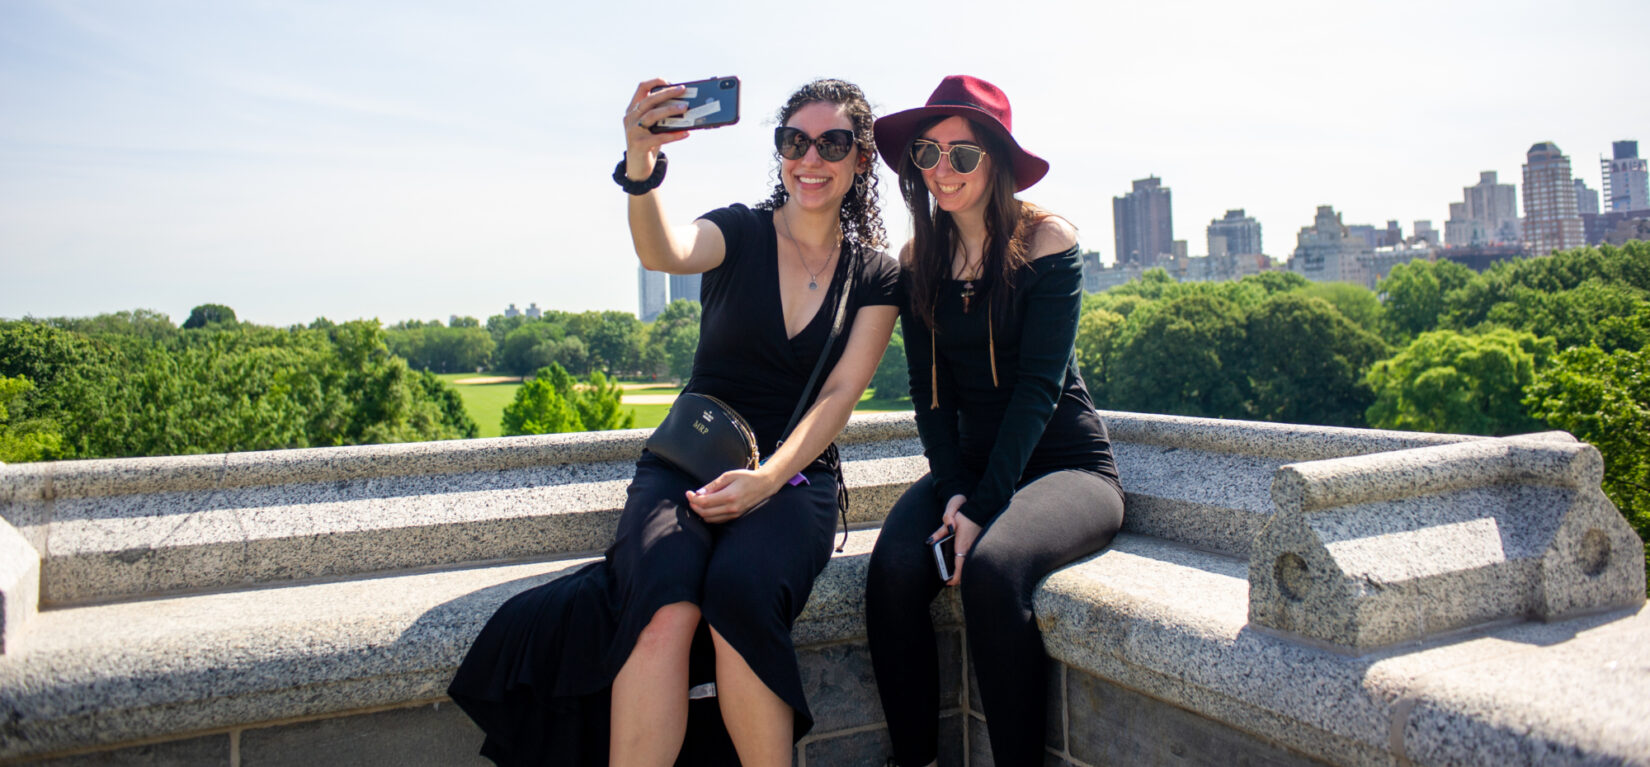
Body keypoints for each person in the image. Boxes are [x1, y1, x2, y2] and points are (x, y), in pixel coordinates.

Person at [448, 78, 899, 767]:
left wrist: (766, 481)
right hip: (688, 460)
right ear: (780, 152)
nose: (811, 158)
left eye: (833, 143)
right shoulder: (740, 231)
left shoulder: (875, 273)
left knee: (741, 593)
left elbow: (838, 395)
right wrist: (642, 163)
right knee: (664, 599)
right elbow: (663, 250)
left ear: (861, 159)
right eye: (794, 141)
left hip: (796, 472)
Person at [864, 75, 1125, 767]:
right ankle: (914, 756)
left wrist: (981, 508)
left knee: (992, 570)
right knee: (891, 569)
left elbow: (1040, 389)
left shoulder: (1046, 242)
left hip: (1065, 465)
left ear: (997, 162)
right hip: (973, 469)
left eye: (962, 155)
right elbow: (929, 394)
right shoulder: (918, 258)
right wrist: (953, 487)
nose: (941, 171)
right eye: (926, 153)